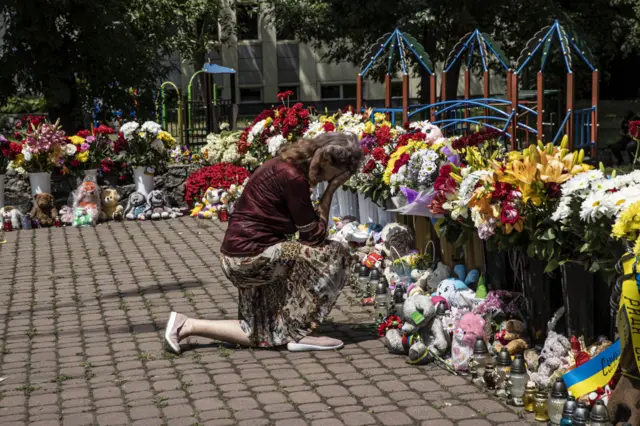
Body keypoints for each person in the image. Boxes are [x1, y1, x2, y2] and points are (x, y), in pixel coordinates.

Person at [164, 132, 363, 353]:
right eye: (331, 175)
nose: (328, 179)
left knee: (259, 333)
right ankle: (299, 332)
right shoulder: (293, 177)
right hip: (251, 259)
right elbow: (313, 236)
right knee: (337, 252)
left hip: (242, 254)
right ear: (325, 160)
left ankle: (186, 325)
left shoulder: (287, 163)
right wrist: (331, 190)